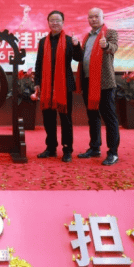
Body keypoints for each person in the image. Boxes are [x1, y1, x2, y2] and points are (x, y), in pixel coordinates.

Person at [34, 10, 82, 162]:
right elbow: (39, 64)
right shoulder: (43, 42)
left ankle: (67, 150)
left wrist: (77, 45)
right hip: (47, 85)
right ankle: (51, 148)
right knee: (48, 119)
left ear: (63, 23)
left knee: (65, 119)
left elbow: (78, 58)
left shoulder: (69, 41)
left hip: (64, 86)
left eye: (58, 20)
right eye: (52, 20)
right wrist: (37, 83)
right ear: (48, 23)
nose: (55, 23)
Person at [75, 8, 121, 166]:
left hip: (104, 83)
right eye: (91, 17)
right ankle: (95, 148)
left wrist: (106, 45)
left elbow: (114, 47)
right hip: (88, 81)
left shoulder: (110, 33)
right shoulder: (87, 36)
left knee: (109, 118)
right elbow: (82, 57)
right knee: (93, 116)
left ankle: (113, 153)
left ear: (103, 17)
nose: (93, 19)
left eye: (96, 16)